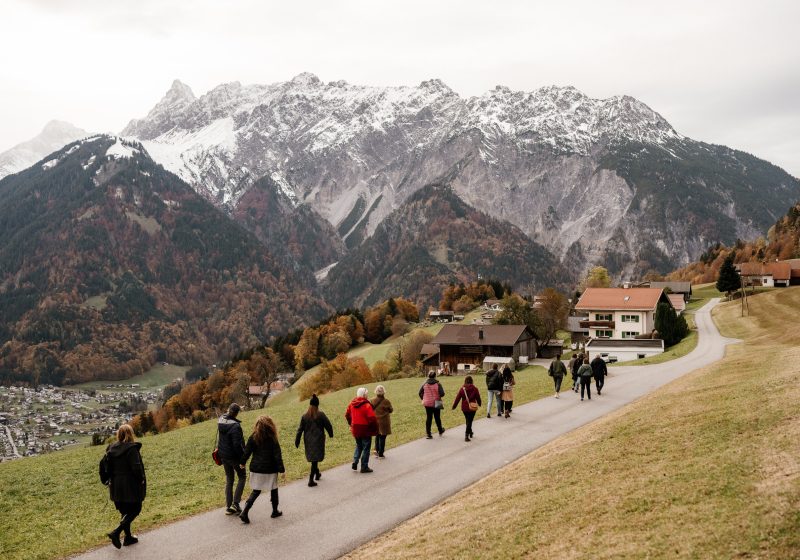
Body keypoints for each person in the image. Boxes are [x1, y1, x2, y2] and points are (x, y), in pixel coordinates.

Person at [105, 424, 146, 549]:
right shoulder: (131, 449)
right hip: (129, 484)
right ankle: (116, 532)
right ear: (130, 434)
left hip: (116, 485)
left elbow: (107, 467)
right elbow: (136, 467)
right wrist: (141, 479)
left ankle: (128, 538)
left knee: (125, 511)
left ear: (119, 434)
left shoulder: (111, 448)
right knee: (136, 509)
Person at [239, 416, 285, 523]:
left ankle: (245, 512)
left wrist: (242, 462)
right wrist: (282, 470)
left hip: (256, 468)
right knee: (274, 489)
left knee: (256, 490)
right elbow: (277, 455)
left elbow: (247, 452)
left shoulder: (253, 437)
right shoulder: (272, 438)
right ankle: (275, 511)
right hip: (270, 468)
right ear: (270, 426)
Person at [294, 394, 333, 487]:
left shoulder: (305, 416)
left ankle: (317, 473)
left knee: (314, 459)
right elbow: (328, 425)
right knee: (315, 459)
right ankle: (311, 480)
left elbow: (300, 430)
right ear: (317, 405)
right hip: (319, 440)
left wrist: (297, 440)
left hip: (308, 441)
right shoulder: (321, 415)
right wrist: (330, 433)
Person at [217, 403, 246, 515]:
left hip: (223, 455)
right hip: (234, 457)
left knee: (229, 479)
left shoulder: (221, 420)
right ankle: (236, 504)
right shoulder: (235, 427)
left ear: (228, 410)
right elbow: (237, 445)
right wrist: (243, 459)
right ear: (237, 413)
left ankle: (229, 506)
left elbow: (227, 414)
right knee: (242, 476)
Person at [345, 387, 378, 473]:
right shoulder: (367, 405)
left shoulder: (352, 404)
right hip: (365, 429)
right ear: (364, 395)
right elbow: (372, 418)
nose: (367, 395)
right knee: (366, 447)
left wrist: (351, 423)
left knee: (359, 445)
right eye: (366, 394)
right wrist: (374, 429)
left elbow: (347, 415)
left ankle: (355, 462)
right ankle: (364, 466)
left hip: (355, 428)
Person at [452, 375, 482, 441]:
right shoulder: (475, 389)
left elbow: (457, 398)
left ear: (465, 381)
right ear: (472, 381)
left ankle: (470, 432)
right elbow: (478, 397)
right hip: (472, 407)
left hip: (464, 408)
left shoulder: (462, 389)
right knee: (469, 421)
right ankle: (466, 435)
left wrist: (454, 406)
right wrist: (479, 403)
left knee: (468, 420)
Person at [419, 371, 446, 438]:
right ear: (435, 376)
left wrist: (423, 398)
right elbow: (442, 394)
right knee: (437, 417)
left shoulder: (424, 384)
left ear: (428, 376)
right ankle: (440, 430)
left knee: (429, 417)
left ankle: (428, 433)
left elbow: (420, 393)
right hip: (437, 401)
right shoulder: (438, 384)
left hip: (427, 402)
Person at [370, 385, 393, 458]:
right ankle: (381, 453)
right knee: (383, 437)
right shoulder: (386, 401)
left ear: (376, 391)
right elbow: (391, 410)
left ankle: (376, 450)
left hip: (376, 421)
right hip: (384, 422)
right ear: (384, 392)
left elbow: (370, 410)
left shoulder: (372, 400)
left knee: (377, 435)